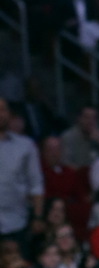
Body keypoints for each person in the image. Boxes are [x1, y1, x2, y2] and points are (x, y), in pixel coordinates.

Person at [0, 96, 44, 245]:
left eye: (3, 109)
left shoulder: (25, 146)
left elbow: (36, 183)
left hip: (17, 222)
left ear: (9, 114)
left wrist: (38, 216)